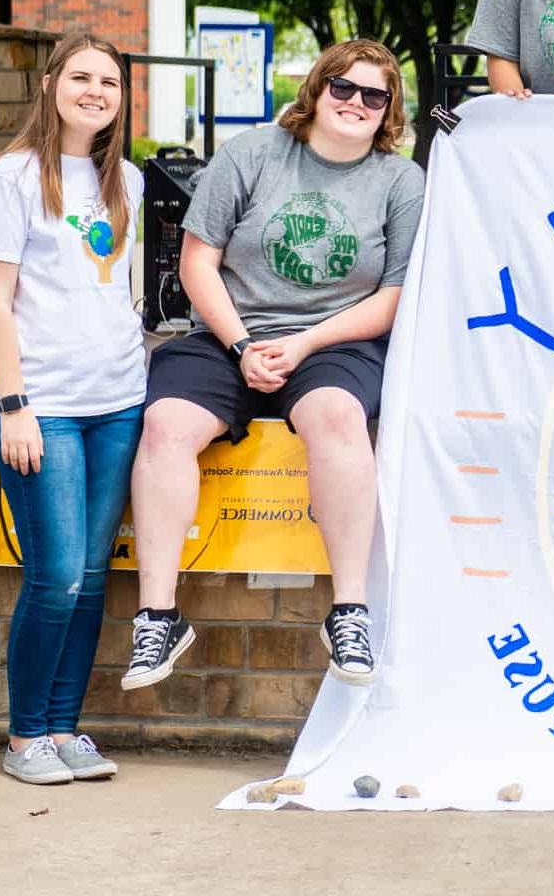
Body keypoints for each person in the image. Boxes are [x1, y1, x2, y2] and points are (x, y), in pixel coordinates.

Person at [124, 39, 426, 691]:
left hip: (334, 342)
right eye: (344, 87)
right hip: (229, 334)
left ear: (388, 111)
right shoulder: (252, 154)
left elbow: (394, 297)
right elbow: (197, 262)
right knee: (165, 427)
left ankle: (349, 611)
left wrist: (304, 345)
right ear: (317, 89)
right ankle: (158, 616)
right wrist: (240, 346)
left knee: (342, 420)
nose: (356, 103)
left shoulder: (401, 180)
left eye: (374, 96)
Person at [0, 33, 145, 784]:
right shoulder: (10, 178)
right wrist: (13, 405)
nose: (95, 90)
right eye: (81, 76)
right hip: (45, 405)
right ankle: (25, 738)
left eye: (109, 80)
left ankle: (67, 729)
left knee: (96, 576)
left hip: (120, 400)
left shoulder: (126, 180)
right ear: (49, 86)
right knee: (57, 577)